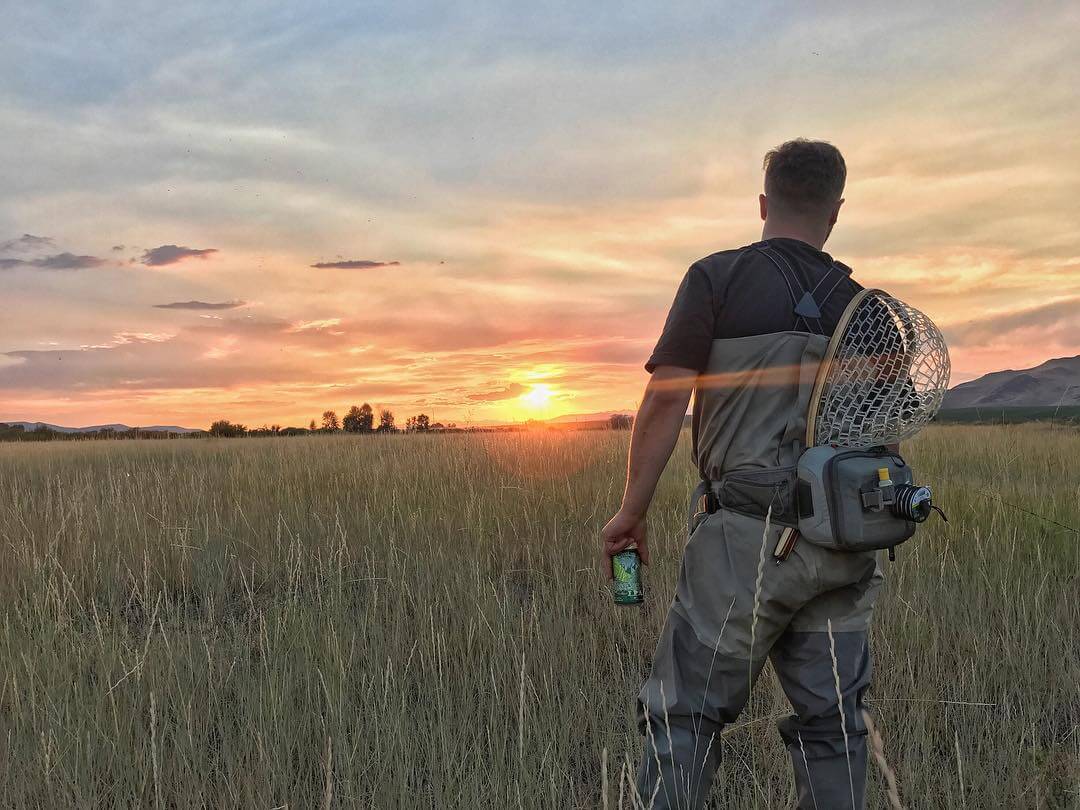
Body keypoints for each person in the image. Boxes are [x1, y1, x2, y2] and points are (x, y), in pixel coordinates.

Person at [602, 139, 882, 809]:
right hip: (843, 545)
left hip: (742, 546)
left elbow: (668, 396)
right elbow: (880, 435)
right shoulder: (870, 310)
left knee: (684, 719)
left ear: (764, 201)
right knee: (836, 727)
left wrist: (630, 511)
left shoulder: (716, 278)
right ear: (837, 211)